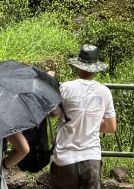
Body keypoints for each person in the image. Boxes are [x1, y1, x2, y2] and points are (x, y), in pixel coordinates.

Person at [49, 45, 117, 189]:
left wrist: (49, 84)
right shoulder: (104, 92)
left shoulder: (66, 88)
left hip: (65, 158)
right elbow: (111, 127)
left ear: (78, 67)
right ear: (95, 69)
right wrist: (91, 121)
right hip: (91, 157)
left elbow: (53, 113)